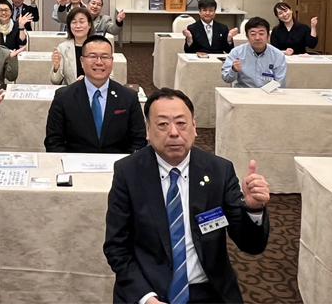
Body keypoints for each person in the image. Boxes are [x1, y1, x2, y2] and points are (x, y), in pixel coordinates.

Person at [104, 88, 270, 304]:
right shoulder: (128, 173)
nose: (173, 132)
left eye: (181, 123)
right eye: (162, 124)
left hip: (208, 289)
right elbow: (116, 247)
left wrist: (254, 209)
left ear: (194, 127)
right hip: (151, 290)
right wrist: (146, 298)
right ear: (147, 130)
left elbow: (251, 245)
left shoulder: (219, 171)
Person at [45, 35, 145, 153]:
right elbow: (54, 142)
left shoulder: (128, 97)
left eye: (105, 57)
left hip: (117, 167)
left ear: (112, 61)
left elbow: (138, 141)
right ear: (82, 61)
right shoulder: (63, 97)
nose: (99, 62)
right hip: (75, 165)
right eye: (92, 56)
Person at [221, 17, 287, 88]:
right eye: (253, 34)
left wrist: (262, 94)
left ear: (268, 36)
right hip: (243, 94)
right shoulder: (236, 52)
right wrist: (233, 69)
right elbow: (226, 78)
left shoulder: (278, 55)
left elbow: (280, 83)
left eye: (261, 34)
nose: (257, 38)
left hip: (268, 95)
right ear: (247, 36)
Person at [50, 7, 95, 85]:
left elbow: (110, 76)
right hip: (71, 92)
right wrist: (56, 67)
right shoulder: (63, 48)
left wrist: (89, 80)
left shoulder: (99, 46)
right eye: (74, 22)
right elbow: (55, 81)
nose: (77, 26)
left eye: (81, 22)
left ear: (89, 25)